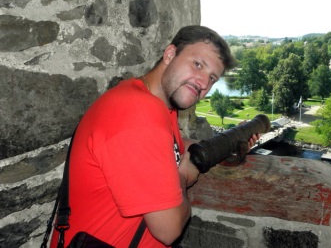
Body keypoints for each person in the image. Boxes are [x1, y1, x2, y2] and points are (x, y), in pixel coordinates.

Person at [50, 25, 260, 248]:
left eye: (212, 78)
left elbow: (171, 148)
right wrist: (184, 176)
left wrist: (229, 142)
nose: (202, 83)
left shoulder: (155, 104)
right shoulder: (140, 113)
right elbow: (168, 230)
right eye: (197, 64)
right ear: (170, 54)